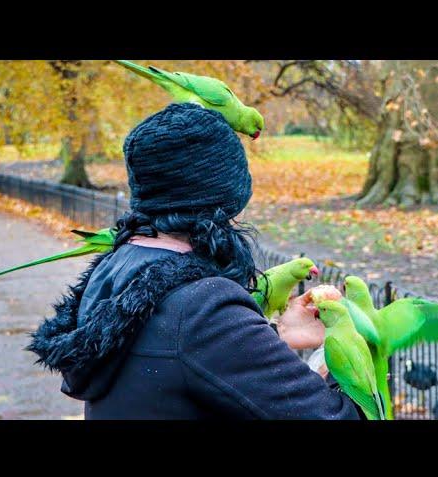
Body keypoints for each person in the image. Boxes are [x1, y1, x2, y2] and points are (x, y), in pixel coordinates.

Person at [27, 103, 362, 420]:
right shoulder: (204, 307)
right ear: (226, 196)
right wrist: (346, 352)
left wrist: (275, 335)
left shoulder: (117, 268)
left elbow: (176, 360)